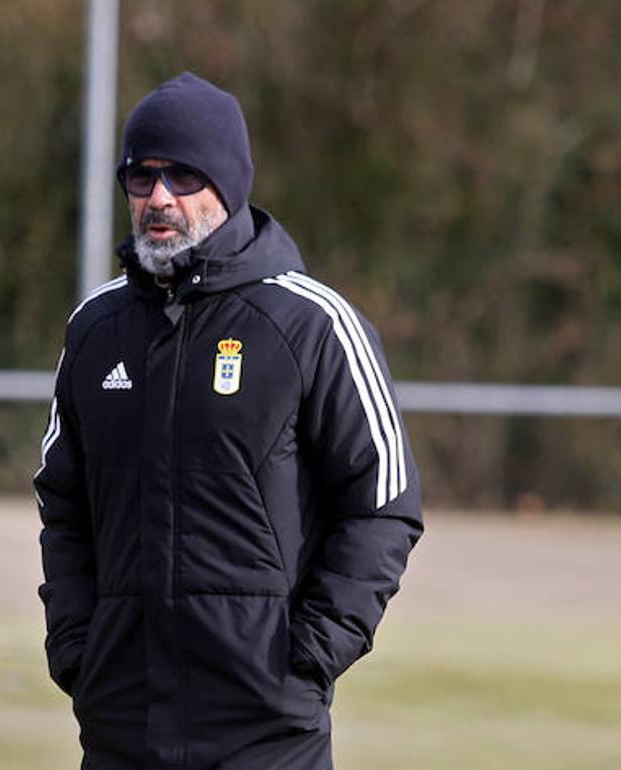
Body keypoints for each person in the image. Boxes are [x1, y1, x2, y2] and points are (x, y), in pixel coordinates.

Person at [35, 72, 423, 770]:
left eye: (183, 176)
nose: (159, 198)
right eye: (141, 176)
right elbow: (64, 507)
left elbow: (385, 506)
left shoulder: (313, 324)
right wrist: (76, 647)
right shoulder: (96, 329)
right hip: (122, 723)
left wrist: (307, 658)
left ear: (229, 185)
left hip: (266, 731)